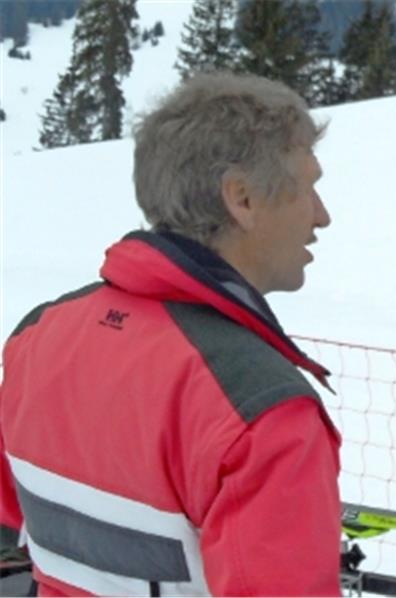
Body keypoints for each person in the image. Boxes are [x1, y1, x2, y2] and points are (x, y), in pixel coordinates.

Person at [0, 73, 341, 596]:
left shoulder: (38, 337)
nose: (322, 216)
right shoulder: (260, 409)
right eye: (309, 187)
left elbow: (14, 527)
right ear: (242, 199)